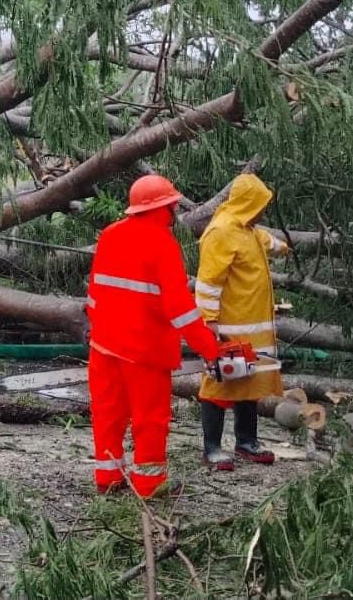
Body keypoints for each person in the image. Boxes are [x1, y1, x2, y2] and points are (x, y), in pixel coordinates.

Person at [86, 173, 220, 497]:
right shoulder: (162, 245)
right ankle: (149, 486)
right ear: (166, 209)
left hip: (103, 345)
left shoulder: (110, 235)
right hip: (143, 352)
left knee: (107, 416)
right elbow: (181, 310)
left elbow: (94, 293)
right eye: (172, 206)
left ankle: (108, 479)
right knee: (149, 420)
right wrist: (211, 349)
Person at [193, 173, 291, 470]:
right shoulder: (221, 232)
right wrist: (209, 324)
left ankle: (246, 441)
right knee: (219, 384)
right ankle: (212, 448)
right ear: (248, 202)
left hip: (252, 328)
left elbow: (265, 241)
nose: (262, 211)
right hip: (229, 327)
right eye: (260, 204)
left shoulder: (246, 229)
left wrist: (282, 246)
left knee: (248, 383)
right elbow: (208, 283)